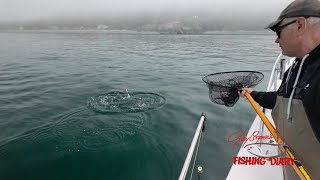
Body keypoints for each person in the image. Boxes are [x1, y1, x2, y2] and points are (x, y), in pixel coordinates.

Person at [239, 0, 320, 179]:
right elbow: (283, 100)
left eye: (278, 30)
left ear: (300, 25)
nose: (276, 39)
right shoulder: (296, 66)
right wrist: (253, 94)